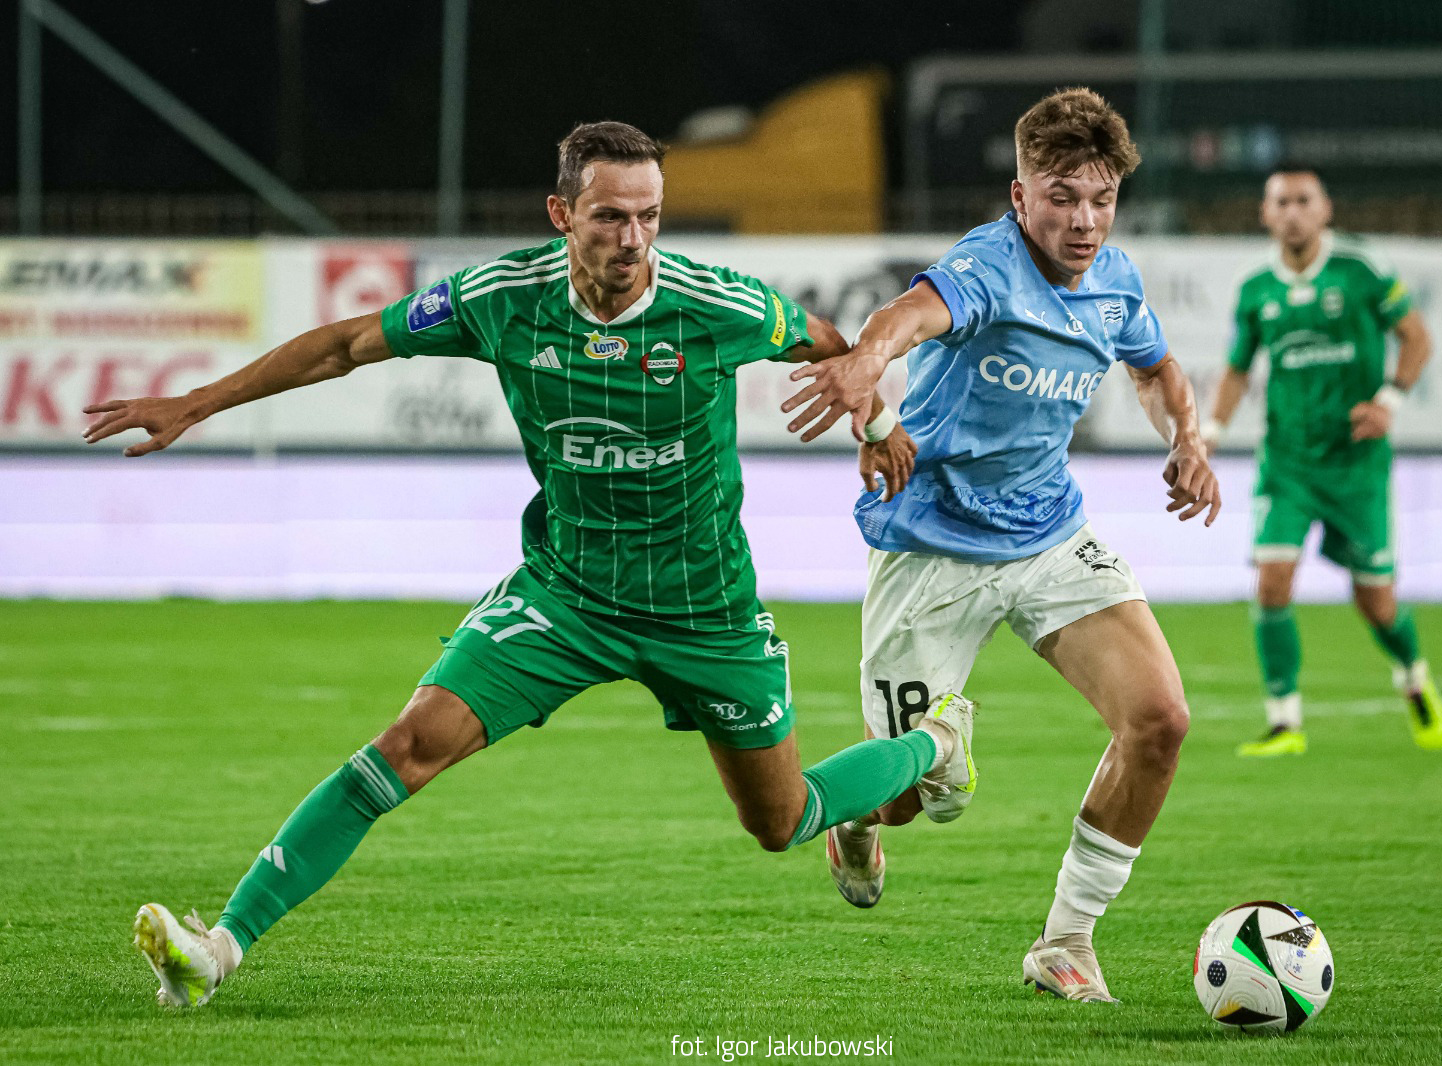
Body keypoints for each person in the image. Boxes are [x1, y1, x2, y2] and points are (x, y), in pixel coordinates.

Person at [83, 121, 969, 1008]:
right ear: (561, 214)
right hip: (566, 595)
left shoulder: (717, 305)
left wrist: (876, 421)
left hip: (704, 609)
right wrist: (198, 402)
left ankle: (935, 742)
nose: (633, 239)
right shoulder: (499, 297)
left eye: (650, 217)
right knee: (405, 746)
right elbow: (347, 345)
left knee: (780, 822)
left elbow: (826, 340)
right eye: (610, 217)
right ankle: (218, 950)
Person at [781, 88, 1220, 1004]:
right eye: (1061, 197)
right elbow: (909, 315)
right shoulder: (987, 267)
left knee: (1160, 720)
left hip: (1050, 535)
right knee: (910, 797)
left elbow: (1155, 367)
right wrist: (867, 362)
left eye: (1101, 199)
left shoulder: (1115, 281)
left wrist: (1187, 437)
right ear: (1020, 197)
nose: (1084, 220)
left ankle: (1067, 942)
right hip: (931, 544)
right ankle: (860, 820)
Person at [1202, 166, 1442, 758]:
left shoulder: (1361, 270)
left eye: (1303, 201)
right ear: (1266, 215)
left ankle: (1413, 675)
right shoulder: (1255, 288)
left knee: (1376, 602)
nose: (1292, 212)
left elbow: (1417, 337)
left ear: (1324, 210)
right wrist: (1209, 432)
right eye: (1281, 202)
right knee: (1271, 582)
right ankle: (1284, 722)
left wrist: (1389, 401)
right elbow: (1237, 369)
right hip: (1287, 463)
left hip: (1356, 466)